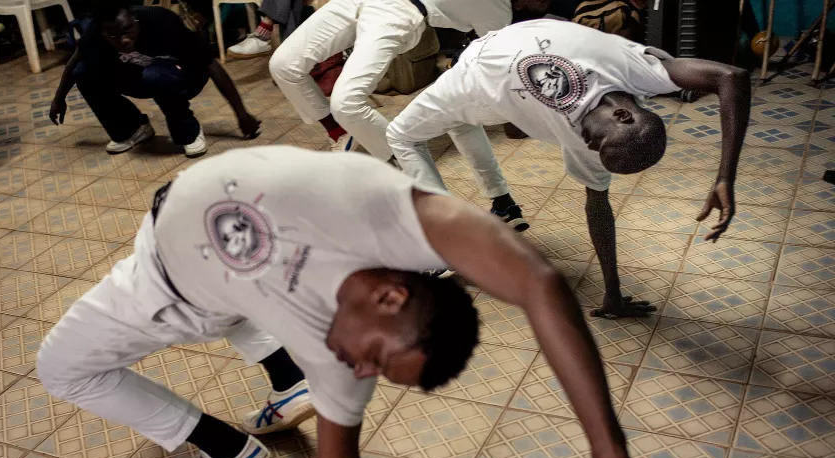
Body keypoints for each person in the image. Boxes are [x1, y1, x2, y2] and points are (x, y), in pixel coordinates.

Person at [37, 146, 642, 458]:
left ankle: (224, 451)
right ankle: (281, 379)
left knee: (59, 367)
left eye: (376, 373)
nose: (362, 372)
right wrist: (609, 451)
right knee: (261, 308)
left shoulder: (341, 364)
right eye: (379, 357)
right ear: (389, 297)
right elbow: (538, 282)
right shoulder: (372, 210)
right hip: (213, 272)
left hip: (172, 293)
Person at [387, 19, 750, 318]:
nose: (587, 143)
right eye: (597, 142)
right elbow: (730, 77)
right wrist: (725, 178)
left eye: (594, 148)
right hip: (482, 66)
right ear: (622, 115)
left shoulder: (594, 139)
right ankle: (503, 206)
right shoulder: (635, 70)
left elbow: (598, 207)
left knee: (402, 134)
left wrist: (613, 294)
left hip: (474, 80)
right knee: (451, 124)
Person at [267, 1, 511, 161]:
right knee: (283, 65)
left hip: (400, 9)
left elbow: (495, 56)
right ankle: (337, 131)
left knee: (346, 103)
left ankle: (407, 167)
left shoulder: (497, 8)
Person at [48, 1, 261, 158]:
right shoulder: (96, 30)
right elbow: (75, 63)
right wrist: (59, 99)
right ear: (103, 33)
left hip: (186, 77)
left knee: (156, 74)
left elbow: (211, 65)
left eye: (127, 30)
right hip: (141, 77)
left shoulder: (162, 21)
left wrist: (241, 115)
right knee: (84, 71)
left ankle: (189, 132)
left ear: (134, 19)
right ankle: (131, 129)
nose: (123, 40)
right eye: (113, 36)